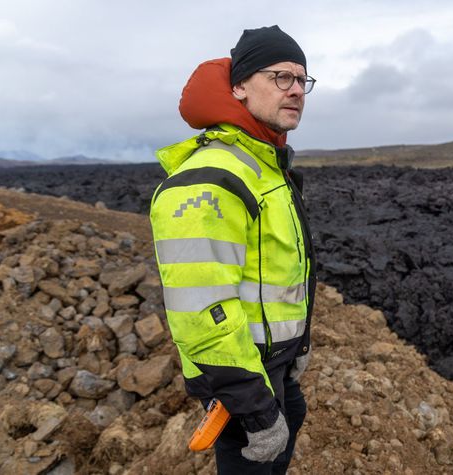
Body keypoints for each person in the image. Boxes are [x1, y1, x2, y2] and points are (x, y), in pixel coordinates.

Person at [149, 25, 316, 474]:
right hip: (243, 377)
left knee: (291, 424)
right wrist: (256, 410)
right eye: (281, 77)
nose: (297, 90)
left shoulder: (265, 168)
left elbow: (278, 274)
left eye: (303, 80)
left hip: (269, 364)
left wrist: (296, 349)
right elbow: (200, 310)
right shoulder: (212, 179)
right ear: (239, 86)